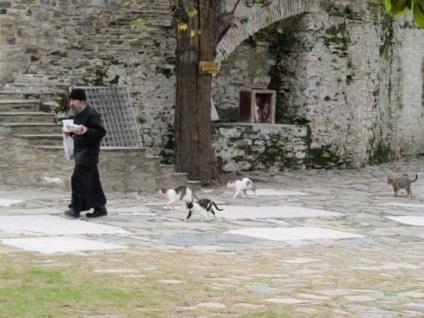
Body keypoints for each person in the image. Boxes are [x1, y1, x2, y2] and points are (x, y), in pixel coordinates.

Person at [63, 88, 108, 218]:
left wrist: (88, 130)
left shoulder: (91, 114)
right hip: (81, 151)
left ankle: (75, 208)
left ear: (82, 101)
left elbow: (100, 132)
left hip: (88, 153)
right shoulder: (80, 113)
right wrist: (70, 132)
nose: (71, 103)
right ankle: (100, 208)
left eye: (74, 100)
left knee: (77, 179)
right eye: (70, 100)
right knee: (92, 182)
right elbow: (79, 131)